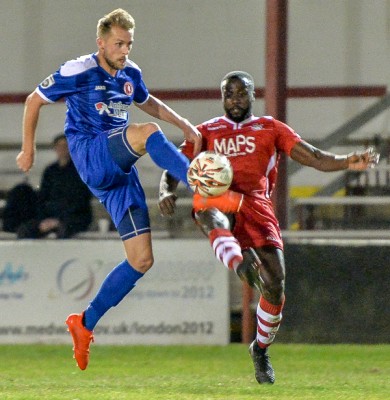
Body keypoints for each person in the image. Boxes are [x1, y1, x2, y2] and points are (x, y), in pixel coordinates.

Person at [158, 71, 379, 384]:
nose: (235, 100)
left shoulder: (271, 128)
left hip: (258, 207)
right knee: (209, 210)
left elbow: (314, 157)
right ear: (222, 97)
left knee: (275, 282)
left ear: (252, 95)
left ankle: (260, 349)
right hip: (221, 198)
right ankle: (237, 258)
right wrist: (166, 190)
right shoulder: (206, 132)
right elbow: (175, 163)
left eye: (241, 93)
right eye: (229, 94)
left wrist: (347, 161)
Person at [16, 8, 201, 370]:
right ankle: (200, 182)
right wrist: (27, 148)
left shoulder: (131, 73)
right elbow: (33, 100)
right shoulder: (79, 69)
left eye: (129, 43)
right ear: (100, 42)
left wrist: (185, 124)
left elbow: (148, 102)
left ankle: (84, 323)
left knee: (141, 259)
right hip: (90, 153)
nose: (124, 50)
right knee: (146, 134)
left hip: (118, 169)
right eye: (118, 43)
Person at [12, 134, 93, 239]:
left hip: (73, 217)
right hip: (50, 216)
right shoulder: (50, 170)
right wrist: (45, 220)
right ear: (55, 148)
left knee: (65, 230)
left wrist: (58, 221)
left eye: (65, 146)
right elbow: (43, 197)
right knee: (26, 230)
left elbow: (81, 200)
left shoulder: (81, 170)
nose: (62, 149)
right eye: (59, 146)